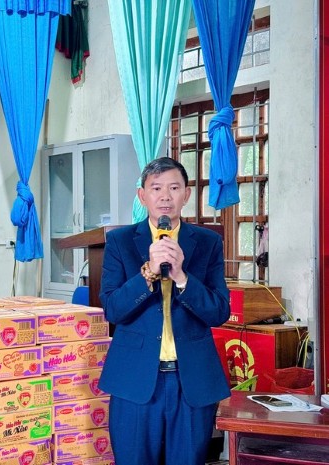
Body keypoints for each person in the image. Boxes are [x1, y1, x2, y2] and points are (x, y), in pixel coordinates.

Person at [98, 157, 231, 465]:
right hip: (134, 379)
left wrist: (182, 277)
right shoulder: (120, 241)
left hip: (192, 381)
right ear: (142, 195)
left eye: (174, 188)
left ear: (187, 194)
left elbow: (219, 311)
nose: (165, 197)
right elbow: (113, 309)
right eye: (156, 188)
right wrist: (148, 272)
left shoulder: (208, 242)